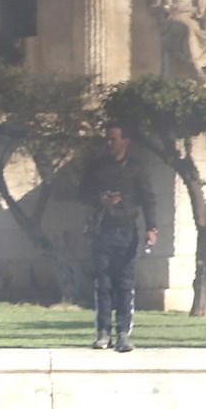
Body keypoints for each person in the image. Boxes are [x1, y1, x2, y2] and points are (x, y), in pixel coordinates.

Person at [80, 124, 159, 352]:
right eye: (107, 140)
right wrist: (101, 199)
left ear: (126, 141)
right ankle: (103, 332)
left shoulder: (136, 168)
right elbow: (82, 194)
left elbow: (148, 198)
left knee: (125, 284)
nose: (109, 144)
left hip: (127, 232)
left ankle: (123, 333)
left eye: (113, 140)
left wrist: (151, 228)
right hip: (101, 231)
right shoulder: (96, 168)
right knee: (103, 284)